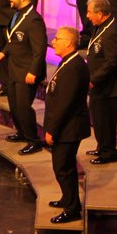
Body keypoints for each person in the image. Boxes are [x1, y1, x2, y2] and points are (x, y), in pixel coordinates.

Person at [0, 0, 46, 154]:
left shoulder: (34, 20)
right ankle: (22, 133)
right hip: (14, 68)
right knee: (14, 105)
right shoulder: (16, 15)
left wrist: (33, 71)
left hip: (26, 71)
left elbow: (39, 50)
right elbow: (13, 40)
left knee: (23, 107)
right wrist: (3, 53)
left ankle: (34, 140)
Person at [43, 26, 91, 223]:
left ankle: (72, 209)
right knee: (65, 166)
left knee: (63, 168)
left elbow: (65, 103)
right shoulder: (69, 62)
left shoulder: (73, 67)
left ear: (69, 43)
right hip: (67, 125)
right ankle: (68, 199)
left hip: (69, 127)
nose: (53, 42)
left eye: (57, 39)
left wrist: (51, 130)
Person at [85, 0, 117, 164]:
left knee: (105, 120)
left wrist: (94, 79)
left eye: (89, 12)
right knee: (98, 119)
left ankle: (108, 152)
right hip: (98, 85)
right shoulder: (101, 27)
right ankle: (102, 147)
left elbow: (112, 62)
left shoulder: (112, 30)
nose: (87, 16)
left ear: (100, 13)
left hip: (107, 86)